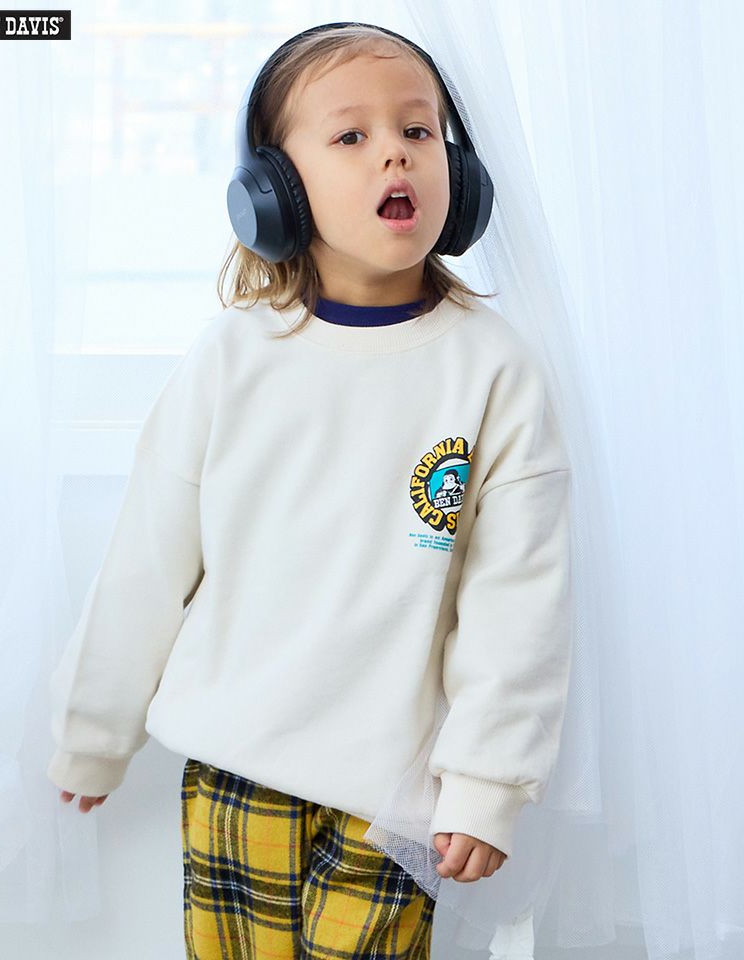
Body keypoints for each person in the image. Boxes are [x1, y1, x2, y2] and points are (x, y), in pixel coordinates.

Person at [48, 21, 573, 960]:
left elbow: (519, 601)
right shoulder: (233, 357)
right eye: (351, 135)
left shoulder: (495, 369)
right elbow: (147, 561)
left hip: (398, 793)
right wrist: (94, 733)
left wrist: (489, 783)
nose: (395, 154)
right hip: (235, 767)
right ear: (274, 189)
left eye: (418, 130)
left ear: (460, 174)